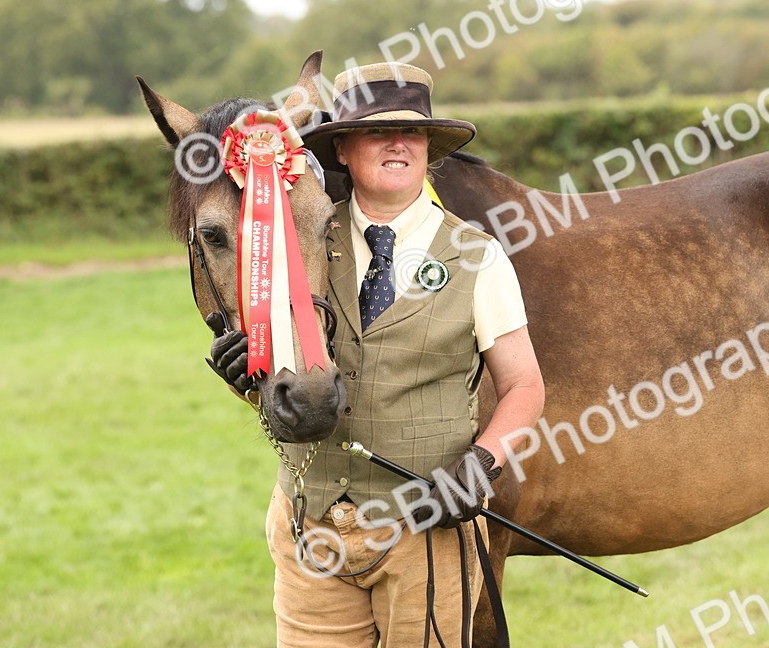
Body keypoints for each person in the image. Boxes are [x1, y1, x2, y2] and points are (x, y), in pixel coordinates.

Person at [208, 62, 545, 647]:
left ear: (428, 151)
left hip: (424, 539)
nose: (397, 143)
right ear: (341, 150)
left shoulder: (480, 257)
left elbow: (525, 387)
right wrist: (246, 377)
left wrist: (481, 463)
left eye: (412, 132)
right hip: (310, 530)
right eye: (375, 130)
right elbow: (286, 380)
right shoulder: (295, 244)